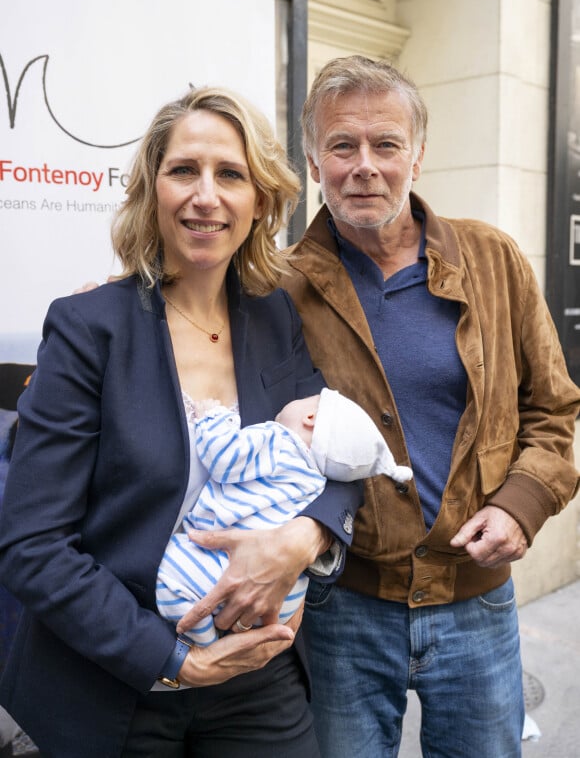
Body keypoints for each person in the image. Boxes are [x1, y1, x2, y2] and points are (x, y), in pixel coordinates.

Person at [176, 56, 580, 758]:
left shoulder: (493, 260)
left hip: (475, 602)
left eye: (385, 144)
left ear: (417, 155)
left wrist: (522, 504)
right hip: (342, 608)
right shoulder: (278, 289)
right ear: (312, 160)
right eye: (342, 146)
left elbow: (552, 408)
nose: (364, 166)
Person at [0, 86, 361, 758]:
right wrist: (172, 659)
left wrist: (307, 538)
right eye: (183, 170)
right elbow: (32, 545)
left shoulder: (275, 319)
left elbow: (335, 451)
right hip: (114, 682)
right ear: (151, 189)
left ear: (260, 202)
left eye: (230, 174)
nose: (205, 195)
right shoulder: (89, 329)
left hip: (260, 677)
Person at [157, 388, 412, 646]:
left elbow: (225, 460)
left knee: (168, 570)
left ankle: (206, 643)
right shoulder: (316, 481)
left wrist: (211, 418)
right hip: (281, 600)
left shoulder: (278, 441)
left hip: (221, 569)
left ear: (310, 417)